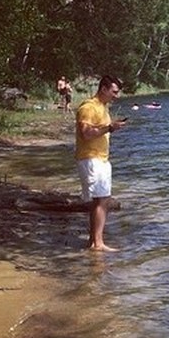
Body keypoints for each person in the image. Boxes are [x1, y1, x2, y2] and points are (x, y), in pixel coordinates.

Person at [75, 75, 127, 251]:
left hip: (101, 159)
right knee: (101, 200)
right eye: (114, 92)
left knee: (102, 200)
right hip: (91, 158)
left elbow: (98, 131)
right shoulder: (89, 107)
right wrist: (110, 127)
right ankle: (98, 244)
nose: (116, 96)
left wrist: (111, 127)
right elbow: (86, 134)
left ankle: (95, 241)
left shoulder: (103, 107)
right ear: (103, 89)